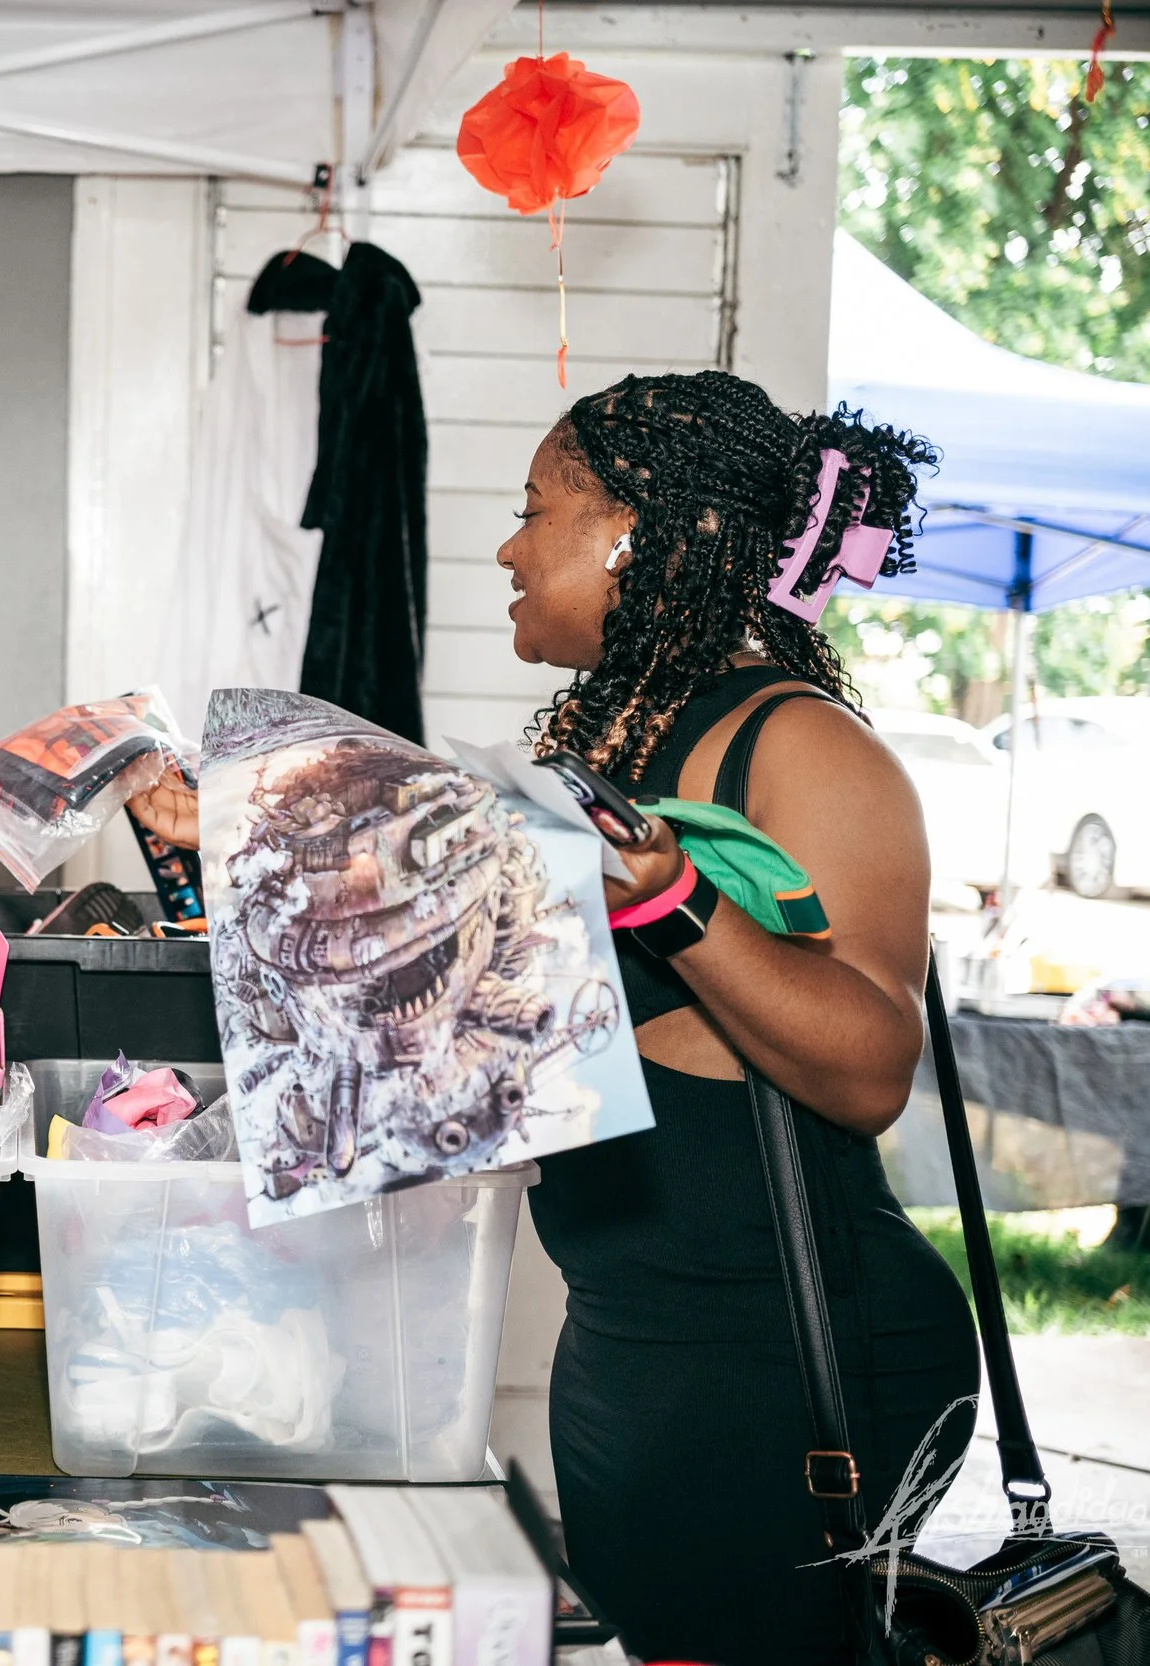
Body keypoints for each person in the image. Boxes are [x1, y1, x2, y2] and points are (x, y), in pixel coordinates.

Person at [129, 371, 977, 1664]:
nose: (509, 546)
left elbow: (869, 1068)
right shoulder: (612, 740)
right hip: (632, 1339)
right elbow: (463, 1018)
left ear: (645, 535)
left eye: (538, 510)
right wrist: (230, 845)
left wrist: (679, 895)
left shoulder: (803, 750)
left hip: (784, 1359)